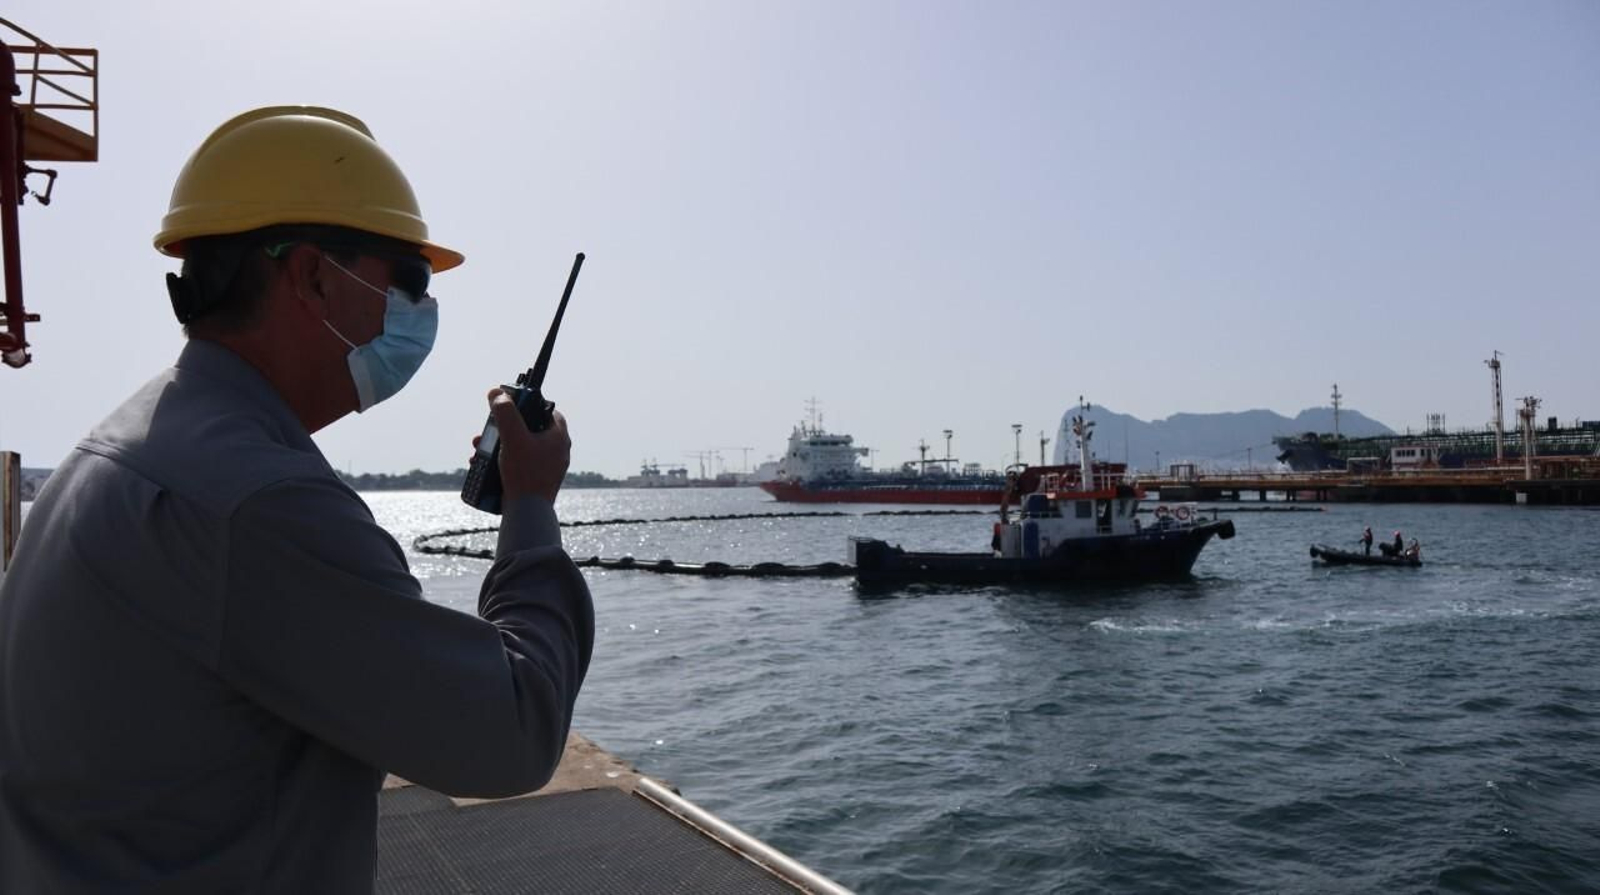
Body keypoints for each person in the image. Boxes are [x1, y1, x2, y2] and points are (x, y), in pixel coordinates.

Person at [0, 107, 595, 893]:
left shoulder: (119, 447)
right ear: (313, 276)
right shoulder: (260, 503)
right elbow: (516, 726)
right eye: (407, 281)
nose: (417, 312)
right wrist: (530, 505)